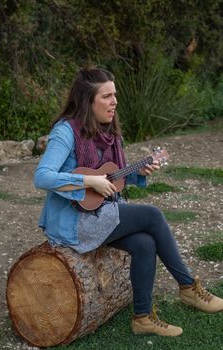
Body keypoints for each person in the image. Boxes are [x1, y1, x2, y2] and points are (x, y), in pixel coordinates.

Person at [34, 67, 223, 337]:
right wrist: (89, 182)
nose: (115, 102)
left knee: (145, 244)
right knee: (152, 215)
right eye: (107, 96)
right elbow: (42, 176)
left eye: (116, 95)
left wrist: (138, 172)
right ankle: (188, 287)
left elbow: (111, 177)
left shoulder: (108, 133)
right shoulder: (66, 132)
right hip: (74, 222)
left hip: (100, 213)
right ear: (88, 101)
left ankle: (142, 318)